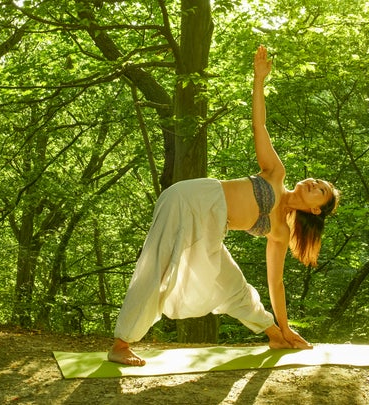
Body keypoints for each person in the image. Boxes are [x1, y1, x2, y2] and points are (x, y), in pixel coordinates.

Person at [108, 45, 340, 366]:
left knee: (233, 286)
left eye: (322, 191)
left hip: (210, 225)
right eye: (319, 181)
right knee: (158, 267)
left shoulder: (280, 234)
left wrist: (286, 328)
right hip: (195, 199)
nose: (316, 183)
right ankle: (121, 344)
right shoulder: (276, 174)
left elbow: (276, 283)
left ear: (315, 210)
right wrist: (259, 80)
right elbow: (260, 126)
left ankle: (273, 334)